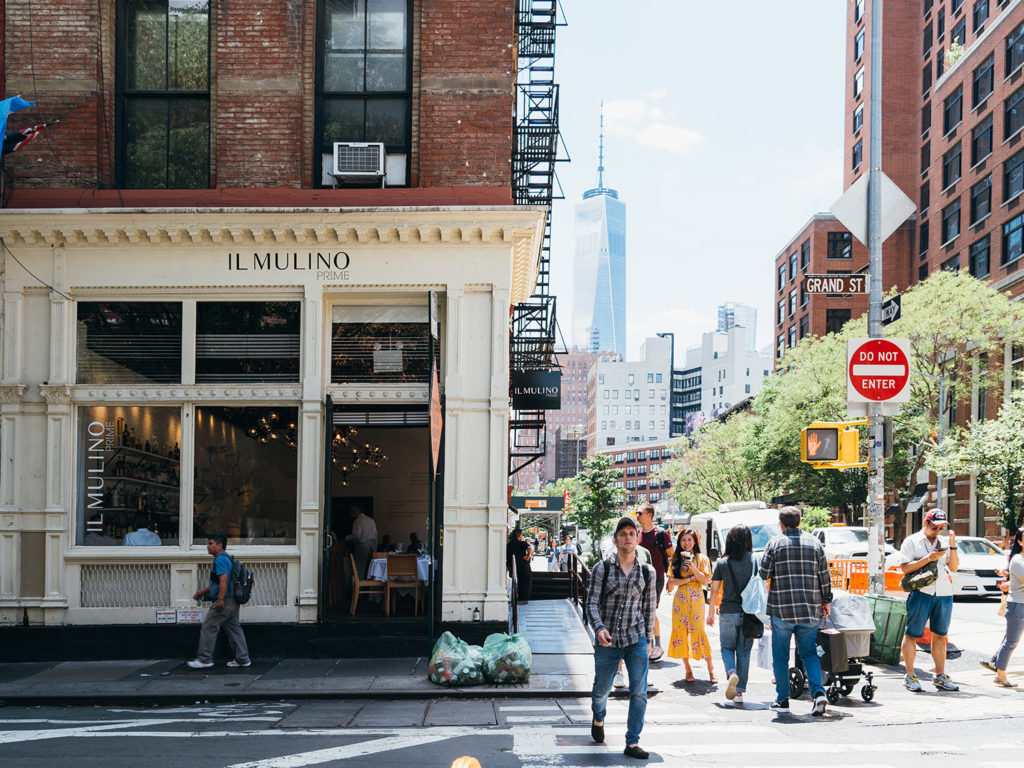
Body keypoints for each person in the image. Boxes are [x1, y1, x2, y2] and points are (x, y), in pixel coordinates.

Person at [585, 516, 656, 761]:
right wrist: (599, 628)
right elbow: (591, 603)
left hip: (635, 638)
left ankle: (632, 741)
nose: (628, 537)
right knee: (601, 691)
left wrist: (649, 640)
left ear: (637, 539)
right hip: (608, 640)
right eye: (623, 533)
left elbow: (649, 608)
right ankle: (599, 717)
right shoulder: (601, 569)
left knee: (639, 690)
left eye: (632, 533)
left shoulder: (647, 572)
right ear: (615, 540)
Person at [759, 505, 832, 716]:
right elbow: (824, 576)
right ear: (799, 521)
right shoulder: (815, 543)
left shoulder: (774, 543)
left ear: (781, 523)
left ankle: (782, 699)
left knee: (781, 657)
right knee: (809, 653)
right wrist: (825, 600)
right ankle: (818, 693)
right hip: (809, 609)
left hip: (781, 610)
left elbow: (764, 573)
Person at [899, 508, 960, 692]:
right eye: (934, 528)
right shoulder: (912, 541)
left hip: (943, 592)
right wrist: (928, 558)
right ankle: (910, 675)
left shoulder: (944, 541)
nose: (937, 532)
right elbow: (905, 568)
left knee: (940, 635)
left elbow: (954, 567)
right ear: (926, 524)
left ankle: (940, 675)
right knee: (912, 634)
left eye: (941, 528)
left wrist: (953, 544)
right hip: (921, 592)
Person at [187, 533, 251, 669]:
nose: (207, 546)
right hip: (233, 601)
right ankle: (243, 659)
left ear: (219, 545)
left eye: (210, 543)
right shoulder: (227, 558)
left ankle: (204, 659)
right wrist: (201, 593)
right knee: (234, 629)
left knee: (209, 626)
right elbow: (217, 582)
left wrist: (220, 600)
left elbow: (223, 580)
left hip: (225, 600)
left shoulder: (220, 559)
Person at [707, 524, 755, 705]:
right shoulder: (755, 560)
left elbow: (714, 590)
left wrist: (711, 612)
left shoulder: (722, 563)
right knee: (744, 651)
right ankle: (740, 692)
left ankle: (731, 672)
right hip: (749, 613)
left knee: (727, 648)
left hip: (728, 611)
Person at [666, 528, 715, 683]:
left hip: (696, 600)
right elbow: (671, 582)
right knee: (681, 632)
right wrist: (689, 579)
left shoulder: (702, 559)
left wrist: (693, 568)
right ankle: (687, 669)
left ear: (695, 542)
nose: (686, 543)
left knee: (698, 631)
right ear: (679, 542)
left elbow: (705, 580)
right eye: (683, 540)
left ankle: (711, 669)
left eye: (689, 540)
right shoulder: (675, 559)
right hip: (680, 600)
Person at [636, 503, 674, 662]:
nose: (636, 515)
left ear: (649, 515)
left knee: (650, 611)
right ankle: (648, 644)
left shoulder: (661, 534)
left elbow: (672, 557)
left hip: (656, 578)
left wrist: (670, 578)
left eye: (639, 513)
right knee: (642, 611)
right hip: (638, 578)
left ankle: (656, 645)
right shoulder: (637, 534)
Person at [992, 527, 1024, 687]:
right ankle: (1001, 675)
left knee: (1011, 642)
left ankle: (1000, 673)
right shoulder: (1018, 560)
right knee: (1011, 642)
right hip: (1018, 605)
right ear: (1020, 541)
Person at [345, 505, 378, 578]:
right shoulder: (371, 520)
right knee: (370, 568)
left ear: (357, 511)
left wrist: (347, 538)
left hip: (362, 546)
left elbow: (357, 536)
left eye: (352, 511)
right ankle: (369, 586)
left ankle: (360, 586)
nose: (351, 513)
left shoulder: (358, 521)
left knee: (360, 568)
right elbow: (375, 535)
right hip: (371, 546)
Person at [508, 528, 533, 603]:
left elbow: (508, 558)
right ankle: (524, 600)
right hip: (523, 567)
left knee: (515, 584)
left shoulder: (508, 545)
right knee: (525, 584)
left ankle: (516, 599)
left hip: (514, 567)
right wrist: (528, 556)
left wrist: (509, 570)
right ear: (519, 535)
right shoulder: (521, 543)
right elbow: (529, 548)